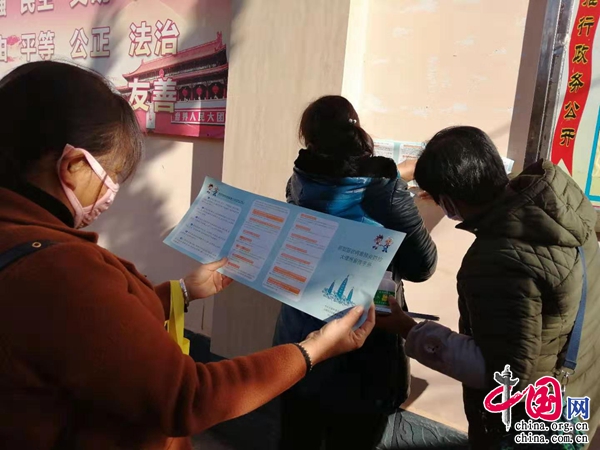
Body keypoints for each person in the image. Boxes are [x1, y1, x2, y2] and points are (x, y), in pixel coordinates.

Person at [0, 62, 376, 450]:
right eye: (111, 173)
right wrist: (314, 349)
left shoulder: (23, 241)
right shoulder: (59, 270)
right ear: (74, 167)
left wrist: (181, 292)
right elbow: (190, 397)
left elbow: (92, 332)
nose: (110, 191)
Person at [377, 126, 600, 449]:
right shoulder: (559, 203)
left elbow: (502, 371)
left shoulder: (496, 261)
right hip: (580, 388)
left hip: (532, 421)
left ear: (449, 202)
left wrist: (408, 329)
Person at [273, 95, 437, 450]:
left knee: (297, 437)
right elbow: (423, 265)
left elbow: (342, 183)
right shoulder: (386, 190)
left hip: (300, 335)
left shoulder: (299, 181)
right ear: (356, 131)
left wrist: (397, 176)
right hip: (364, 342)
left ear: (309, 138)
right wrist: (398, 187)